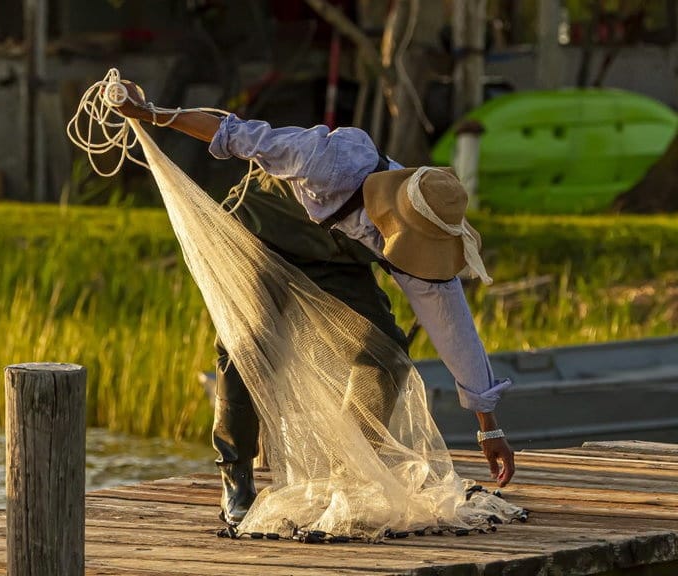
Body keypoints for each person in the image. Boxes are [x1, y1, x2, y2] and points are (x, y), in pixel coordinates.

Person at [115, 82, 516, 525]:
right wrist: (149, 112)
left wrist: (489, 427)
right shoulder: (329, 159)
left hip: (333, 260)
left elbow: (454, 331)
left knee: (385, 355)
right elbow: (232, 132)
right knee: (247, 345)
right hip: (260, 238)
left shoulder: (421, 240)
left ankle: (348, 472)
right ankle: (237, 477)